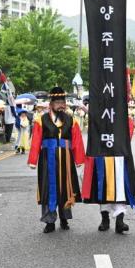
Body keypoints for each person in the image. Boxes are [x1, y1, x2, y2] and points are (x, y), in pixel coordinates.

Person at [27, 87, 85, 233]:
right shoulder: (41, 120)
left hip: (66, 159)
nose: (61, 105)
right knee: (48, 188)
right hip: (48, 159)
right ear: (51, 104)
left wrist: (79, 159)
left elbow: (77, 140)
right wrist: (33, 160)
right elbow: (36, 141)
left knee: (66, 188)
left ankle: (64, 218)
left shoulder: (71, 120)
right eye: (57, 102)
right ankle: (49, 221)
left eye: (62, 102)